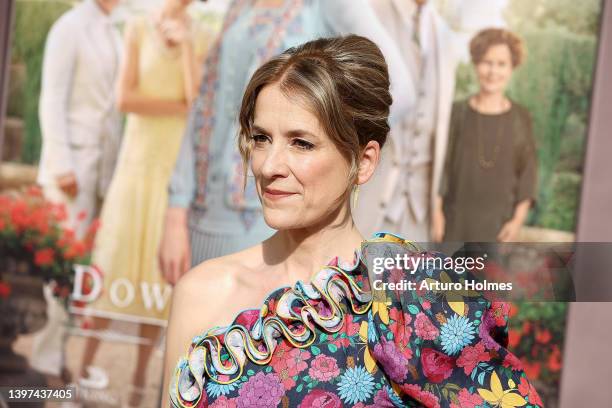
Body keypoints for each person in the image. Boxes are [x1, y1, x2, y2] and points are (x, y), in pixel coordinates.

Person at [163, 35, 542, 407]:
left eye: (301, 143)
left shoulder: (411, 300)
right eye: (261, 138)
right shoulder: (202, 293)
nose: (268, 166)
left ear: (364, 162)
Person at [159, 0, 415, 284]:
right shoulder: (239, 6)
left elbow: (400, 91)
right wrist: (176, 208)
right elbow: (203, 104)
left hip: (267, 221)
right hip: (200, 217)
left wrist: (334, 146)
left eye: (301, 143)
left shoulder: (331, 5)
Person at [77, 0, 210, 404]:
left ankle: (138, 380)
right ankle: (82, 368)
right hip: (135, 166)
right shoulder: (136, 27)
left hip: (172, 171)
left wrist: (186, 47)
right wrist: (179, 108)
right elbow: (124, 99)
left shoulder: (202, 35)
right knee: (114, 260)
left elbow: (197, 99)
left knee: (156, 277)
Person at [33, 0, 123, 381]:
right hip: (72, 170)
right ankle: (43, 360)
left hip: (102, 172)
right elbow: (51, 97)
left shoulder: (114, 31)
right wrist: (62, 165)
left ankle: (53, 353)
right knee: (59, 267)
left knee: (77, 274)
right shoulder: (70, 26)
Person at [355, 0, 459, 241]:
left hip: (418, 212)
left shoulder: (446, 37)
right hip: (364, 197)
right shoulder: (368, 12)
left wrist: (436, 205)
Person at [432, 28, 537, 242]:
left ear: (512, 67)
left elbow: (528, 172)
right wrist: (436, 215)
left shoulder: (521, 117)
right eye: (487, 62)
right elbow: (439, 167)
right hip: (453, 226)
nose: (493, 71)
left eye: (501, 64)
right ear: (476, 64)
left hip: (498, 230)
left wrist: (517, 222)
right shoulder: (455, 113)